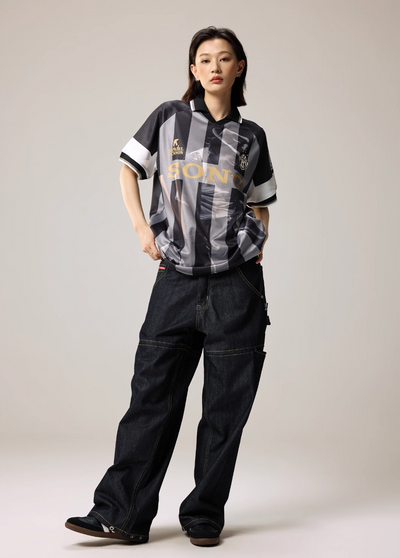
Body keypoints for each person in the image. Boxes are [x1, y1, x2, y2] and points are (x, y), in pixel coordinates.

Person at [65, 25, 277, 547]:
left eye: (224, 58)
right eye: (204, 58)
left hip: (237, 286)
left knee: (226, 407)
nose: (214, 66)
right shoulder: (169, 117)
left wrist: (257, 242)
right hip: (176, 280)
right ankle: (121, 514)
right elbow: (128, 169)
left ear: (239, 68)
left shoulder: (252, 136)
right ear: (193, 69)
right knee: (152, 396)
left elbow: (261, 203)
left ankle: (204, 514)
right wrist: (143, 229)